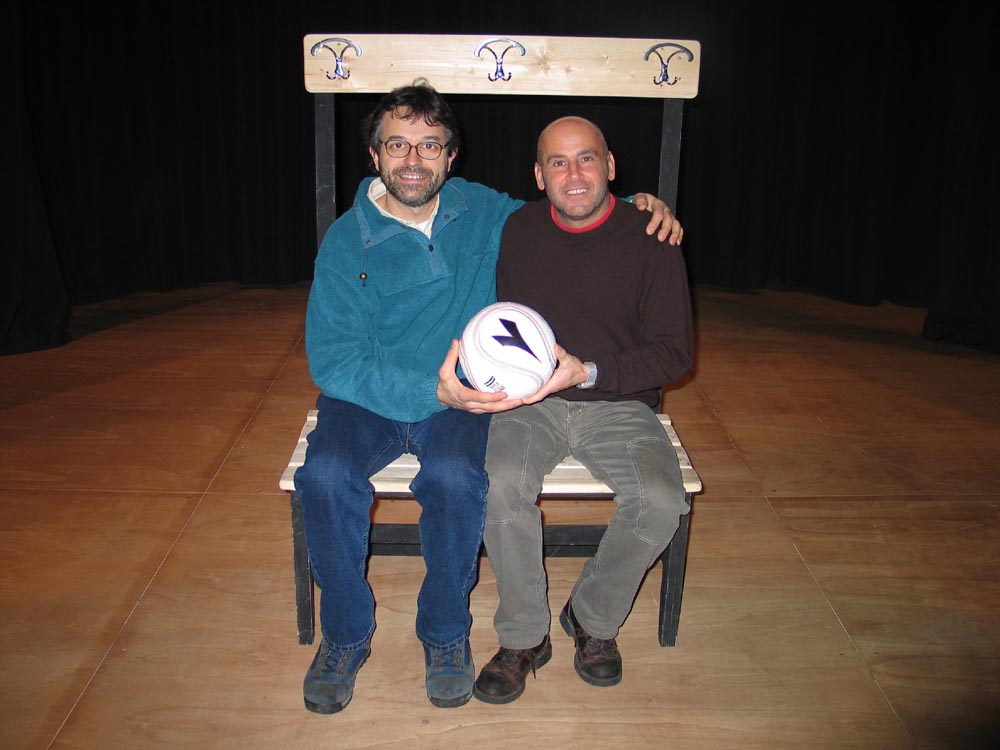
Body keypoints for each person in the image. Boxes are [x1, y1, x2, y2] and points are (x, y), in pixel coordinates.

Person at [293, 83, 682, 715]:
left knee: (457, 478)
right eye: (397, 144)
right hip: (370, 395)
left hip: (462, 399)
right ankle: (344, 634)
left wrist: (638, 203)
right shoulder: (345, 239)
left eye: (429, 145)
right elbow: (332, 359)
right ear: (374, 155)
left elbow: (575, 204)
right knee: (325, 476)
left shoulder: (485, 212)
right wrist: (427, 388)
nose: (412, 159)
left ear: (451, 156)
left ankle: (445, 635)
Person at [467, 116, 694, 704]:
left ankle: (592, 617)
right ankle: (523, 637)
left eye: (587, 158)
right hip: (531, 402)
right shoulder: (517, 228)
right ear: (538, 175)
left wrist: (589, 371)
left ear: (610, 166)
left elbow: (675, 353)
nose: (574, 174)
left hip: (618, 403)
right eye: (558, 162)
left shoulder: (651, 236)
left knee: (661, 501)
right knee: (498, 483)